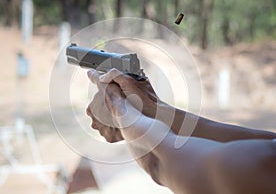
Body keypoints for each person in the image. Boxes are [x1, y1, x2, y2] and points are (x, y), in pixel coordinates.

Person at [86, 68, 276, 194]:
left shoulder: (258, 169)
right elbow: (265, 142)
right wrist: (155, 109)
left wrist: (118, 107)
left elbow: (159, 163)